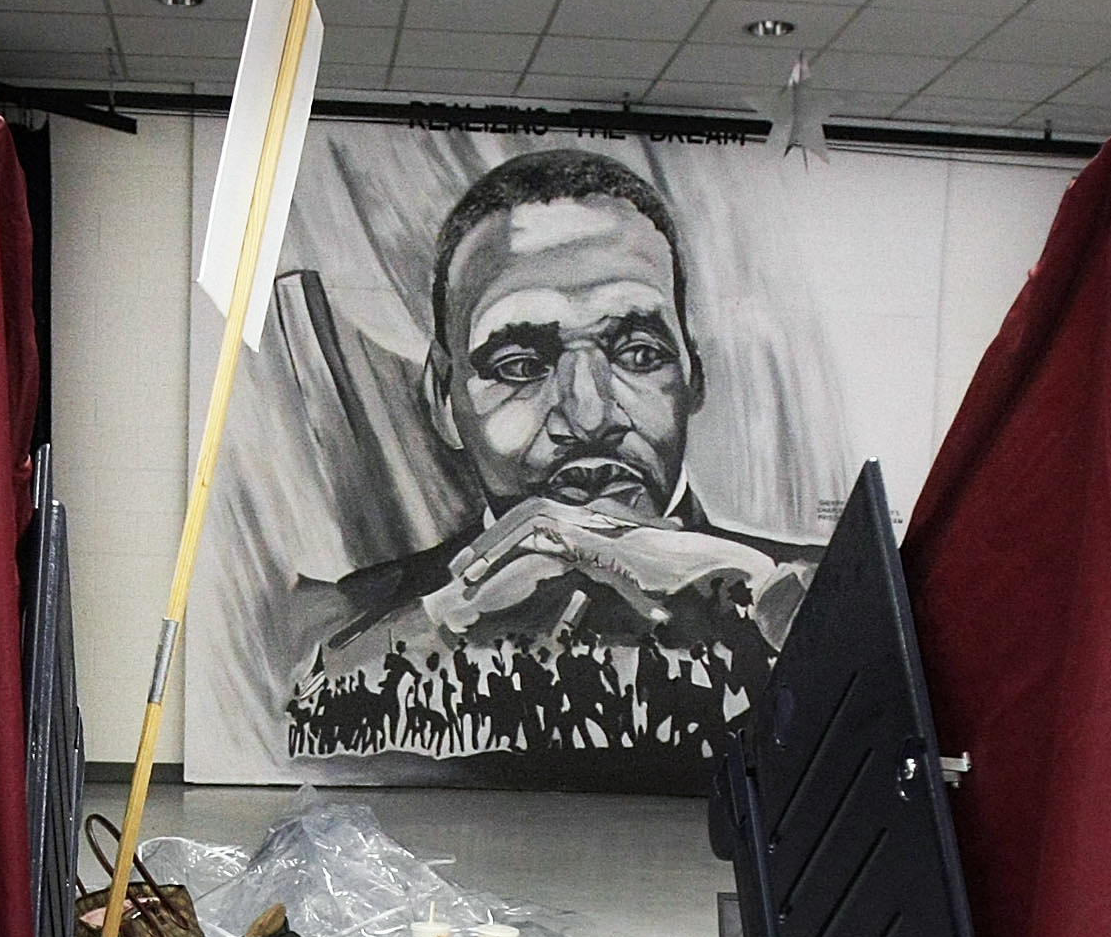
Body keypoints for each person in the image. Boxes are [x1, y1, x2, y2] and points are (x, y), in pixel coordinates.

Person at [288, 149, 819, 759]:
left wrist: (756, 592)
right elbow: (293, 724)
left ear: (692, 373)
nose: (589, 416)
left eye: (639, 354)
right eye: (519, 365)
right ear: (442, 397)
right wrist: (442, 619)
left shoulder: (814, 595)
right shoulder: (352, 619)